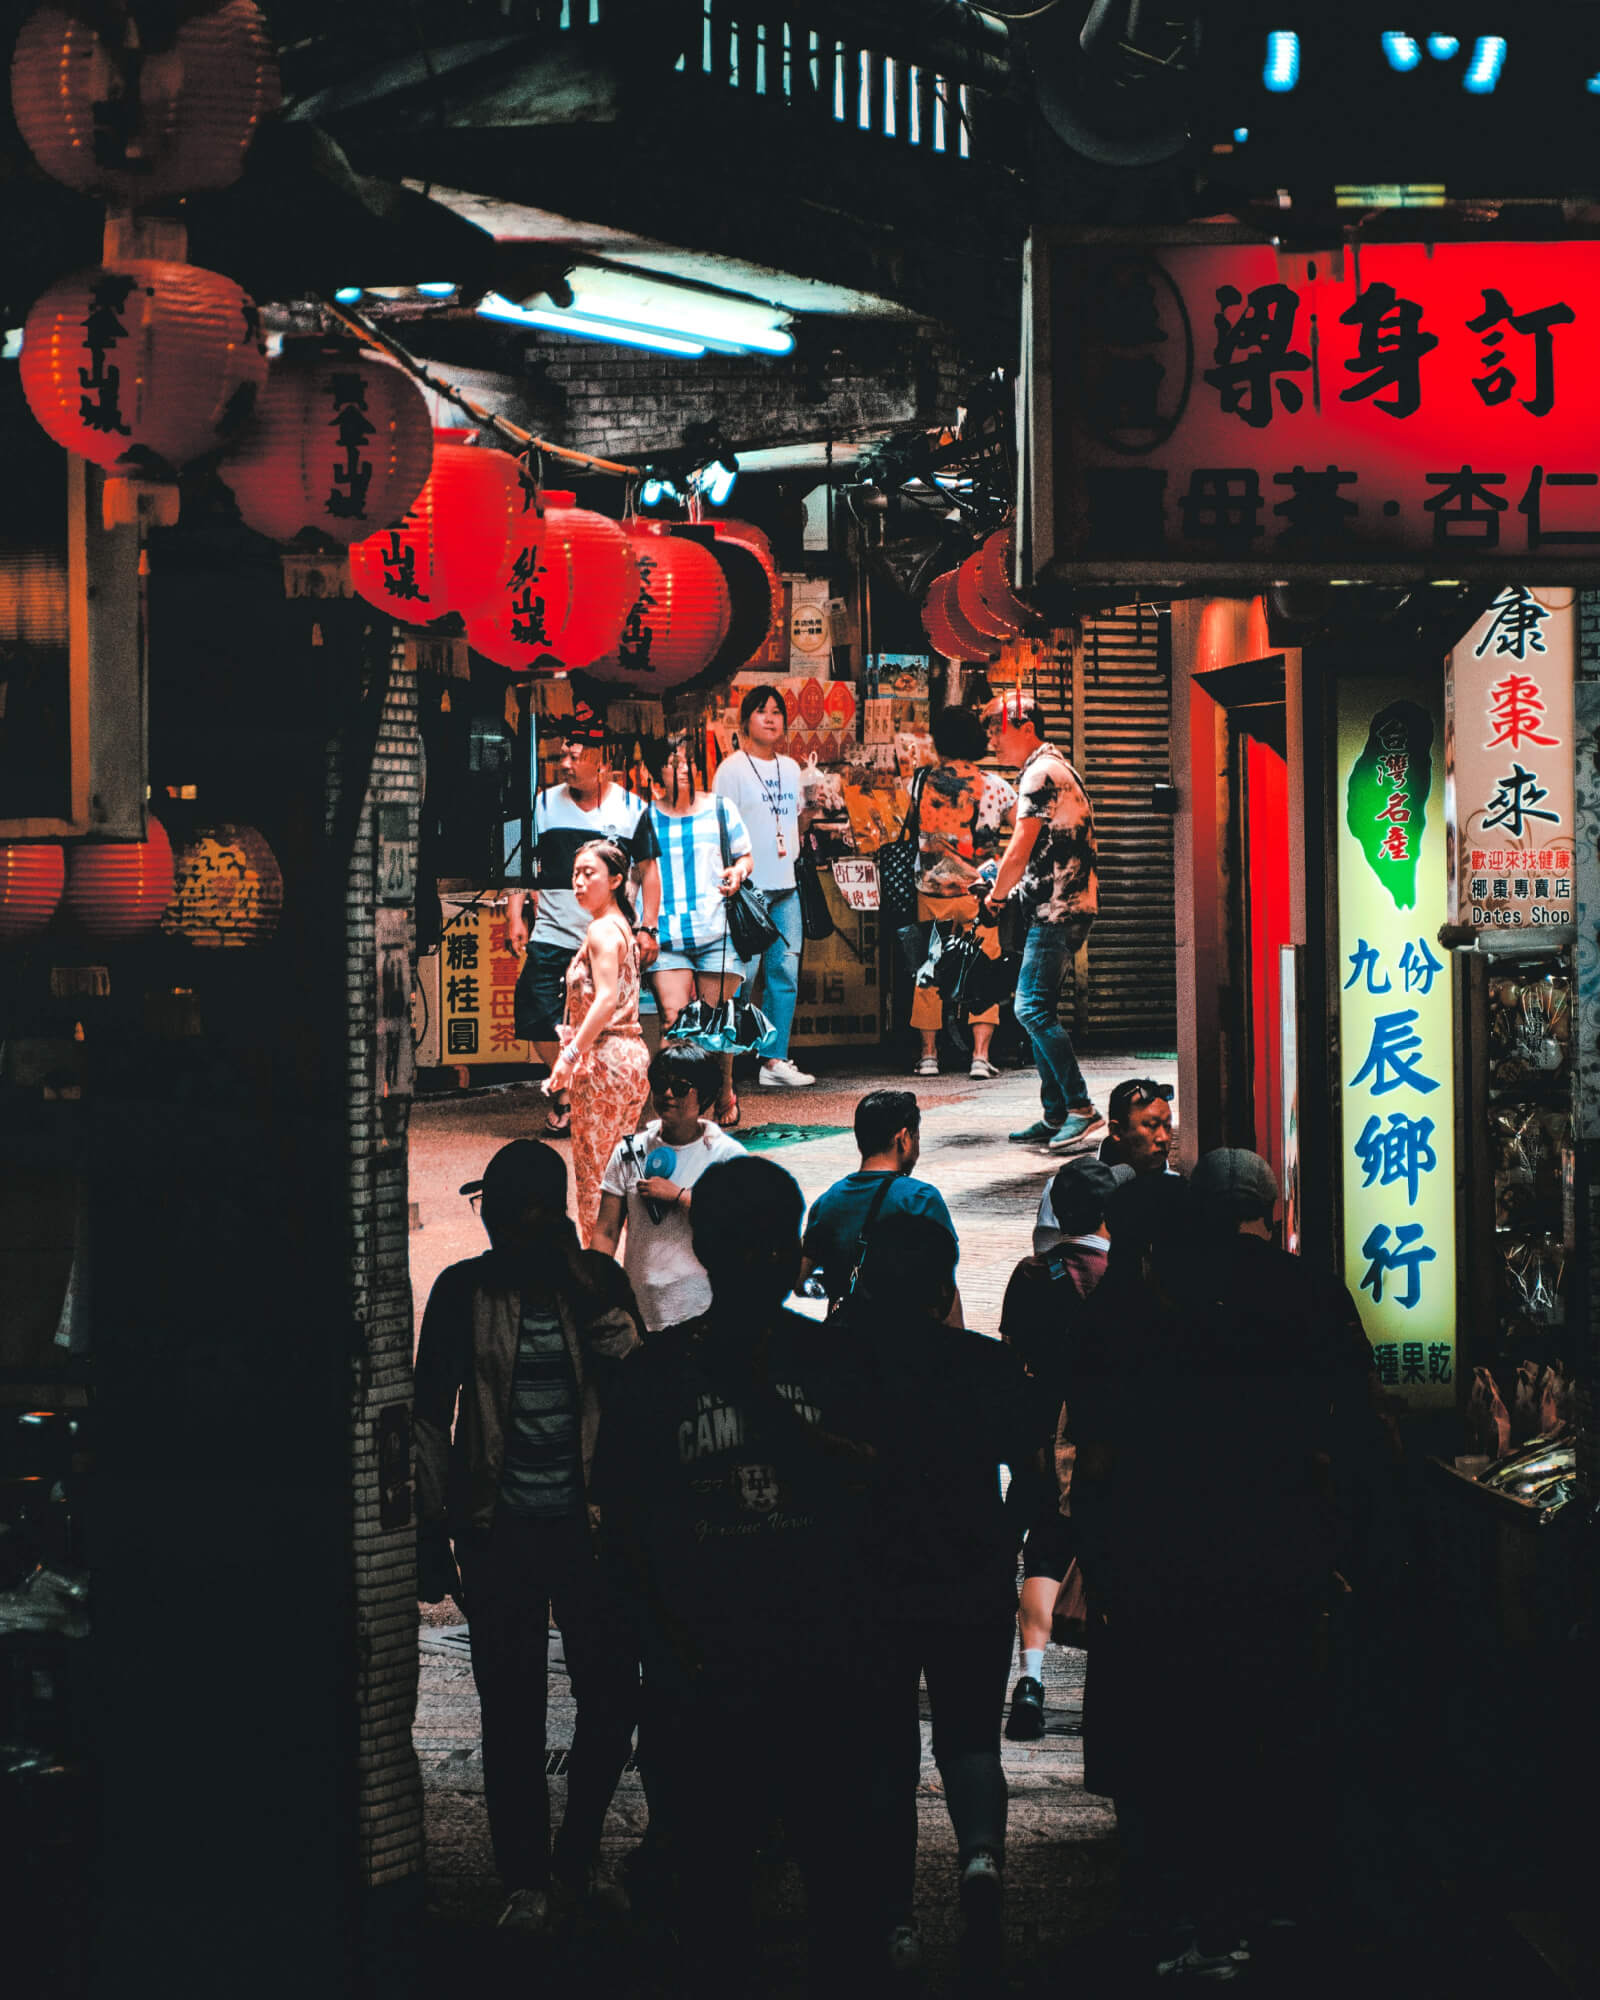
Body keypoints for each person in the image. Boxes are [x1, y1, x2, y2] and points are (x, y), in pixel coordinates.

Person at [595, 1156, 881, 1991]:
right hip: (781, 1675)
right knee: (821, 1897)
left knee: (725, 1903)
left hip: (723, 1676)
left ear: (703, 1248)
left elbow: (624, 1537)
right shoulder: (835, 1362)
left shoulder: (656, 1375)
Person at [1070, 1158, 1350, 1978]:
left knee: (1185, 1742)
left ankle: (1200, 1917)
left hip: (1170, 1568)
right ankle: (1269, 1909)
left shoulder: (1135, 1321)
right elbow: (1346, 1424)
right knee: (1267, 1730)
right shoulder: (1297, 1295)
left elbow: (1100, 1461)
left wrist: (1109, 1567)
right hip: (1278, 1556)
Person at [413, 1140, 643, 1932]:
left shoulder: (596, 1284)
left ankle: (575, 1854)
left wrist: (584, 1289)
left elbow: (637, 1385)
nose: (496, 1229)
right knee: (508, 1708)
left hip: (592, 1532)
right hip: (496, 1531)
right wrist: (431, 1534)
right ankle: (526, 1876)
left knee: (611, 1693)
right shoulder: (459, 1293)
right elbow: (428, 1419)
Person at [845, 1213, 1042, 1979]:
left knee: (884, 1747)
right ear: (942, 1283)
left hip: (871, 1578)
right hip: (968, 1570)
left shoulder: (840, 1364)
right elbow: (1031, 1477)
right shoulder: (984, 1366)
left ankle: (895, 1920)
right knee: (968, 1736)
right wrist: (1002, 1535)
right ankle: (981, 1860)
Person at [999, 1156, 1131, 1741]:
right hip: (1108, 1432)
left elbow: (1012, 1357)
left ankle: (1029, 1676)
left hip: (1042, 1433)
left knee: (1045, 1551)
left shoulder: (1033, 1273)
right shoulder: (1124, 1275)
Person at [505, 706, 660, 1139]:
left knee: (607, 1017)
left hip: (609, 936)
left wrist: (648, 927)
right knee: (535, 1014)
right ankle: (568, 1092)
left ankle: (597, 1094)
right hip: (552, 932)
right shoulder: (541, 806)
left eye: (576, 756)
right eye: (562, 757)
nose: (566, 764)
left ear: (603, 762)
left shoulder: (633, 808)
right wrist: (516, 915)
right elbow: (521, 866)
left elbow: (649, 872)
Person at [980, 692, 1101, 1153]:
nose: (992, 738)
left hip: (1059, 908)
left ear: (1025, 726)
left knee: (1029, 1008)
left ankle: (1080, 1109)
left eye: (997, 728)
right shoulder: (1048, 769)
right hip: (1055, 905)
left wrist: (995, 897)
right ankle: (1056, 1113)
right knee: (1038, 1008)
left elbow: (1020, 848)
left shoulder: (1040, 773)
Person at [590, 1044, 746, 1333]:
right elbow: (606, 1231)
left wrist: (680, 1196)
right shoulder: (630, 1151)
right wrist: (595, 1290)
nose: (668, 1094)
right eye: (661, 1085)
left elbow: (741, 1227)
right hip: (641, 1307)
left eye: (681, 1087)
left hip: (703, 1309)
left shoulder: (728, 1155)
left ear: (705, 1095)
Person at [643, 731, 753, 1130]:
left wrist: (737, 872)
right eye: (673, 763)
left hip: (717, 931)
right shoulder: (647, 818)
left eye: (687, 761)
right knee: (674, 1022)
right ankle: (676, 1107)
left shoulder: (720, 809)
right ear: (656, 774)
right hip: (668, 935)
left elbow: (745, 855)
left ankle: (723, 1089)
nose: (683, 768)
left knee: (714, 1026)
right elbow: (638, 876)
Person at [543, 839, 651, 1246]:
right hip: (625, 1058)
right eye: (576, 874)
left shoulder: (604, 929)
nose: (580, 882)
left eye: (590, 873)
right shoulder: (620, 924)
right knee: (616, 1173)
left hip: (605, 1060)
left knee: (596, 1181)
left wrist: (569, 1056)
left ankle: (598, 1275)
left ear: (616, 880)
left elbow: (606, 999)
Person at [713, 683, 816, 1091]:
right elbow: (720, 832)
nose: (771, 718)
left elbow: (796, 826)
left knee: (784, 973)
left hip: (786, 885)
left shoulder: (791, 769)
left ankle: (774, 1059)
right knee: (740, 977)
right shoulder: (731, 769)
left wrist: (812, 809)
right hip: (747, 890)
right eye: (761, 711)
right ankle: (726, 1063)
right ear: (744, 723)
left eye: (777, 712)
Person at [908, 704, 1017, 1081]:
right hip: (980, 895)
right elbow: (1025, 830)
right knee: (983, 972)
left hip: (932, 893)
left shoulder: (920, 783)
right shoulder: (997, 788)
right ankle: (980, 1057)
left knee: (930, 971)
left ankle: (928, 1056)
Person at [799, 1088, 962, 1318]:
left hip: (845, 1341)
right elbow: (946, 1287)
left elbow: (799, 1282)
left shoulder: (827, 1201)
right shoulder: (921, 1199)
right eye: (916, 1138)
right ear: (903, 1139)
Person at [1034, 1076, 1175, 1249]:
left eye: (1168, 1126)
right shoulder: (1067, 1187)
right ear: (1115, 1130)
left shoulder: (1179, 1191)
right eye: (1152, 1126)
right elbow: (1046, 1259)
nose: (1163, 1138)